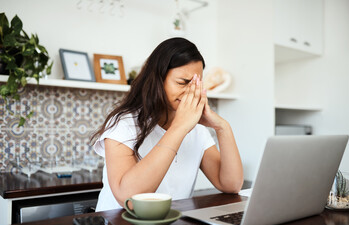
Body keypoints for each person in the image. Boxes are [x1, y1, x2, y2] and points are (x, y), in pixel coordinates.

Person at [91, 37, 243, 211]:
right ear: (158, 79)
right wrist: (179, 127)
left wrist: (222, 127)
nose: (190, 92)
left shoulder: (197, 130)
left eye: (196, 84)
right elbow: (130, 200)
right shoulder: (123, 123)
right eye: (182, 83)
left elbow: (231, 184)